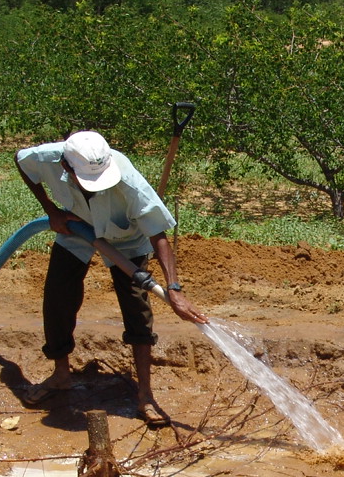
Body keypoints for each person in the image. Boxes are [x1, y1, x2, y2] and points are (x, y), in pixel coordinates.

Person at [15, 130, 207, 424]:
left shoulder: (128, 182)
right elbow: (21, 163)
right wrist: (51, 210)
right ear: (66, 167)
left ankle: (145, 395)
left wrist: (175, 289)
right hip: (76, 228)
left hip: (126, 237)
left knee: (136, 308)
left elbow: (158, 234)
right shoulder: (47, 157)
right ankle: (61, 374)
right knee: (58, 297)